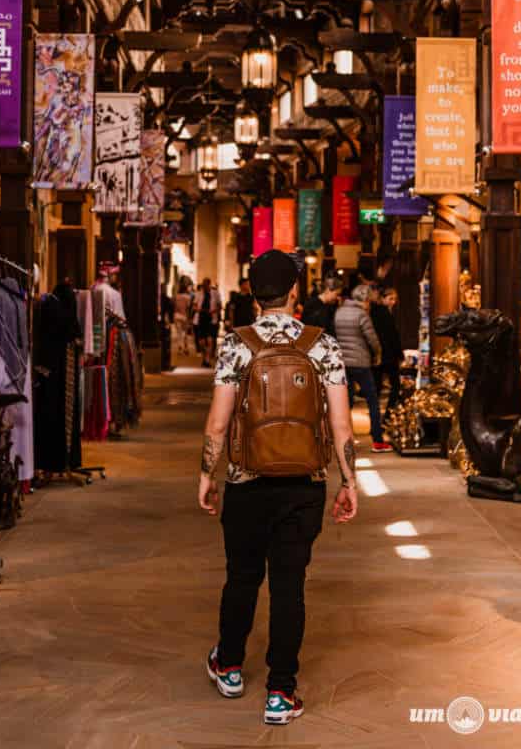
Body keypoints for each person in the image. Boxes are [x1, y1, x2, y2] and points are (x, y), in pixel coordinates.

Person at [198, 249, 358, 726]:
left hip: (247, 483)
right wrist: (349, 482)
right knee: (290, 585)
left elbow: (217, 423)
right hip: (303, 485)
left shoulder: (235, 346)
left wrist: (208, 474)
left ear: (251, 293)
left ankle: (228, 665)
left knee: (242, 576)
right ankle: (280, 692)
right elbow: (342, 424)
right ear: (295, 292)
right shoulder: (322, 346)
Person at [334, 284, 391, 453]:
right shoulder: (361, 315)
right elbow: (372, 338)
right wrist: (378, 354)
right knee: (372, 400)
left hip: (343, 362)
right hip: (361, 362)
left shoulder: (340, 312)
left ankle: (346, 439)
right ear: (365, 300)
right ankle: (377, 440)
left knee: (347, 402)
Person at [370, 286, 403, 421]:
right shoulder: (384, 314)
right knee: (395, 386)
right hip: (388, 355)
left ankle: (376, 418)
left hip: (379, 355)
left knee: (377, 388)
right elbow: (392, 337)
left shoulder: (375, 313)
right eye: (390, 298)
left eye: (395, 299)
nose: (393, 302)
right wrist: (399, 354)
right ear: (382, 299)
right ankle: (387, 415)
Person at [193, 278, 222, 367]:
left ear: (209, 284)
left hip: (211, 319)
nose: (205, 287)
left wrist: (214, 310)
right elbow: (194, 306)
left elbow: (220, 305)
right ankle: (204, 356)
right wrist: (199, 310)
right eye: (203, 285)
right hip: (201, 319)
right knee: (201, 342)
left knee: (210, 340)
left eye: (206, 285)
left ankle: (207, 360)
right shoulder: (198, 294)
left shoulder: (215, 294)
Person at [173, 277, 193, 356]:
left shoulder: (177, 296)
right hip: (184, 316)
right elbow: (188, 308)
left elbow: (175, 307)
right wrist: (189, 318)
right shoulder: (188, 297)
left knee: (179, 333)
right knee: (185, 333)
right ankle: (185, 348)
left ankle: (180, 347)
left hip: (177, 315)